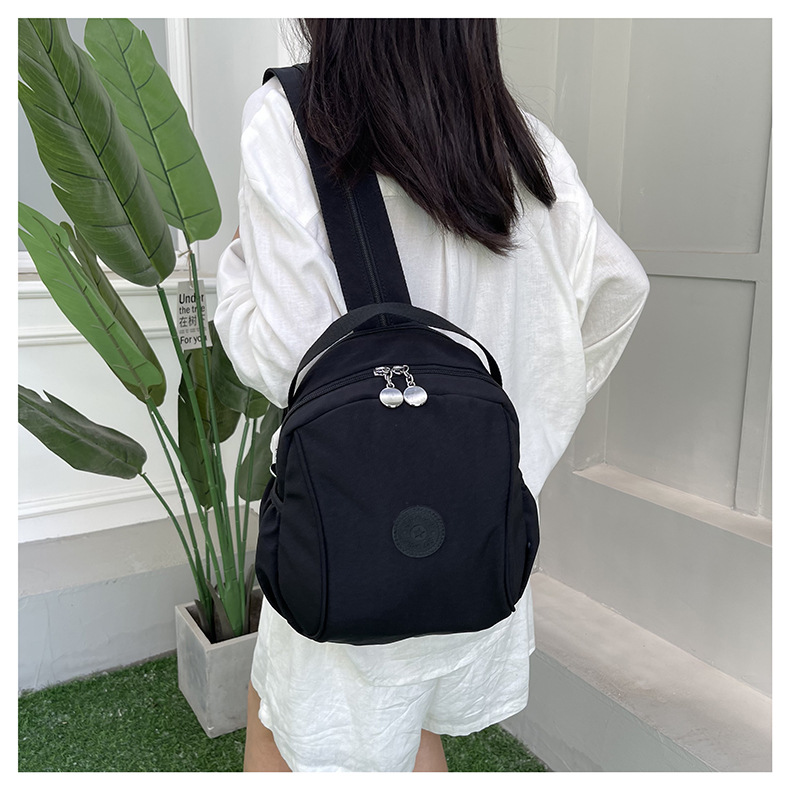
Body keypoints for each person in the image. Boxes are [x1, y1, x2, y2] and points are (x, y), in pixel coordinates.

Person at [214, 18, 649, 773]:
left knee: (280, 730)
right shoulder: (524, 144)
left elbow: (289, 358)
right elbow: (621, 288)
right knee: (418, 736)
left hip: (347, 550)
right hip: (476, 551)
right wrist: (521, 440)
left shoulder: (297, 120)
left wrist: (234, 281)